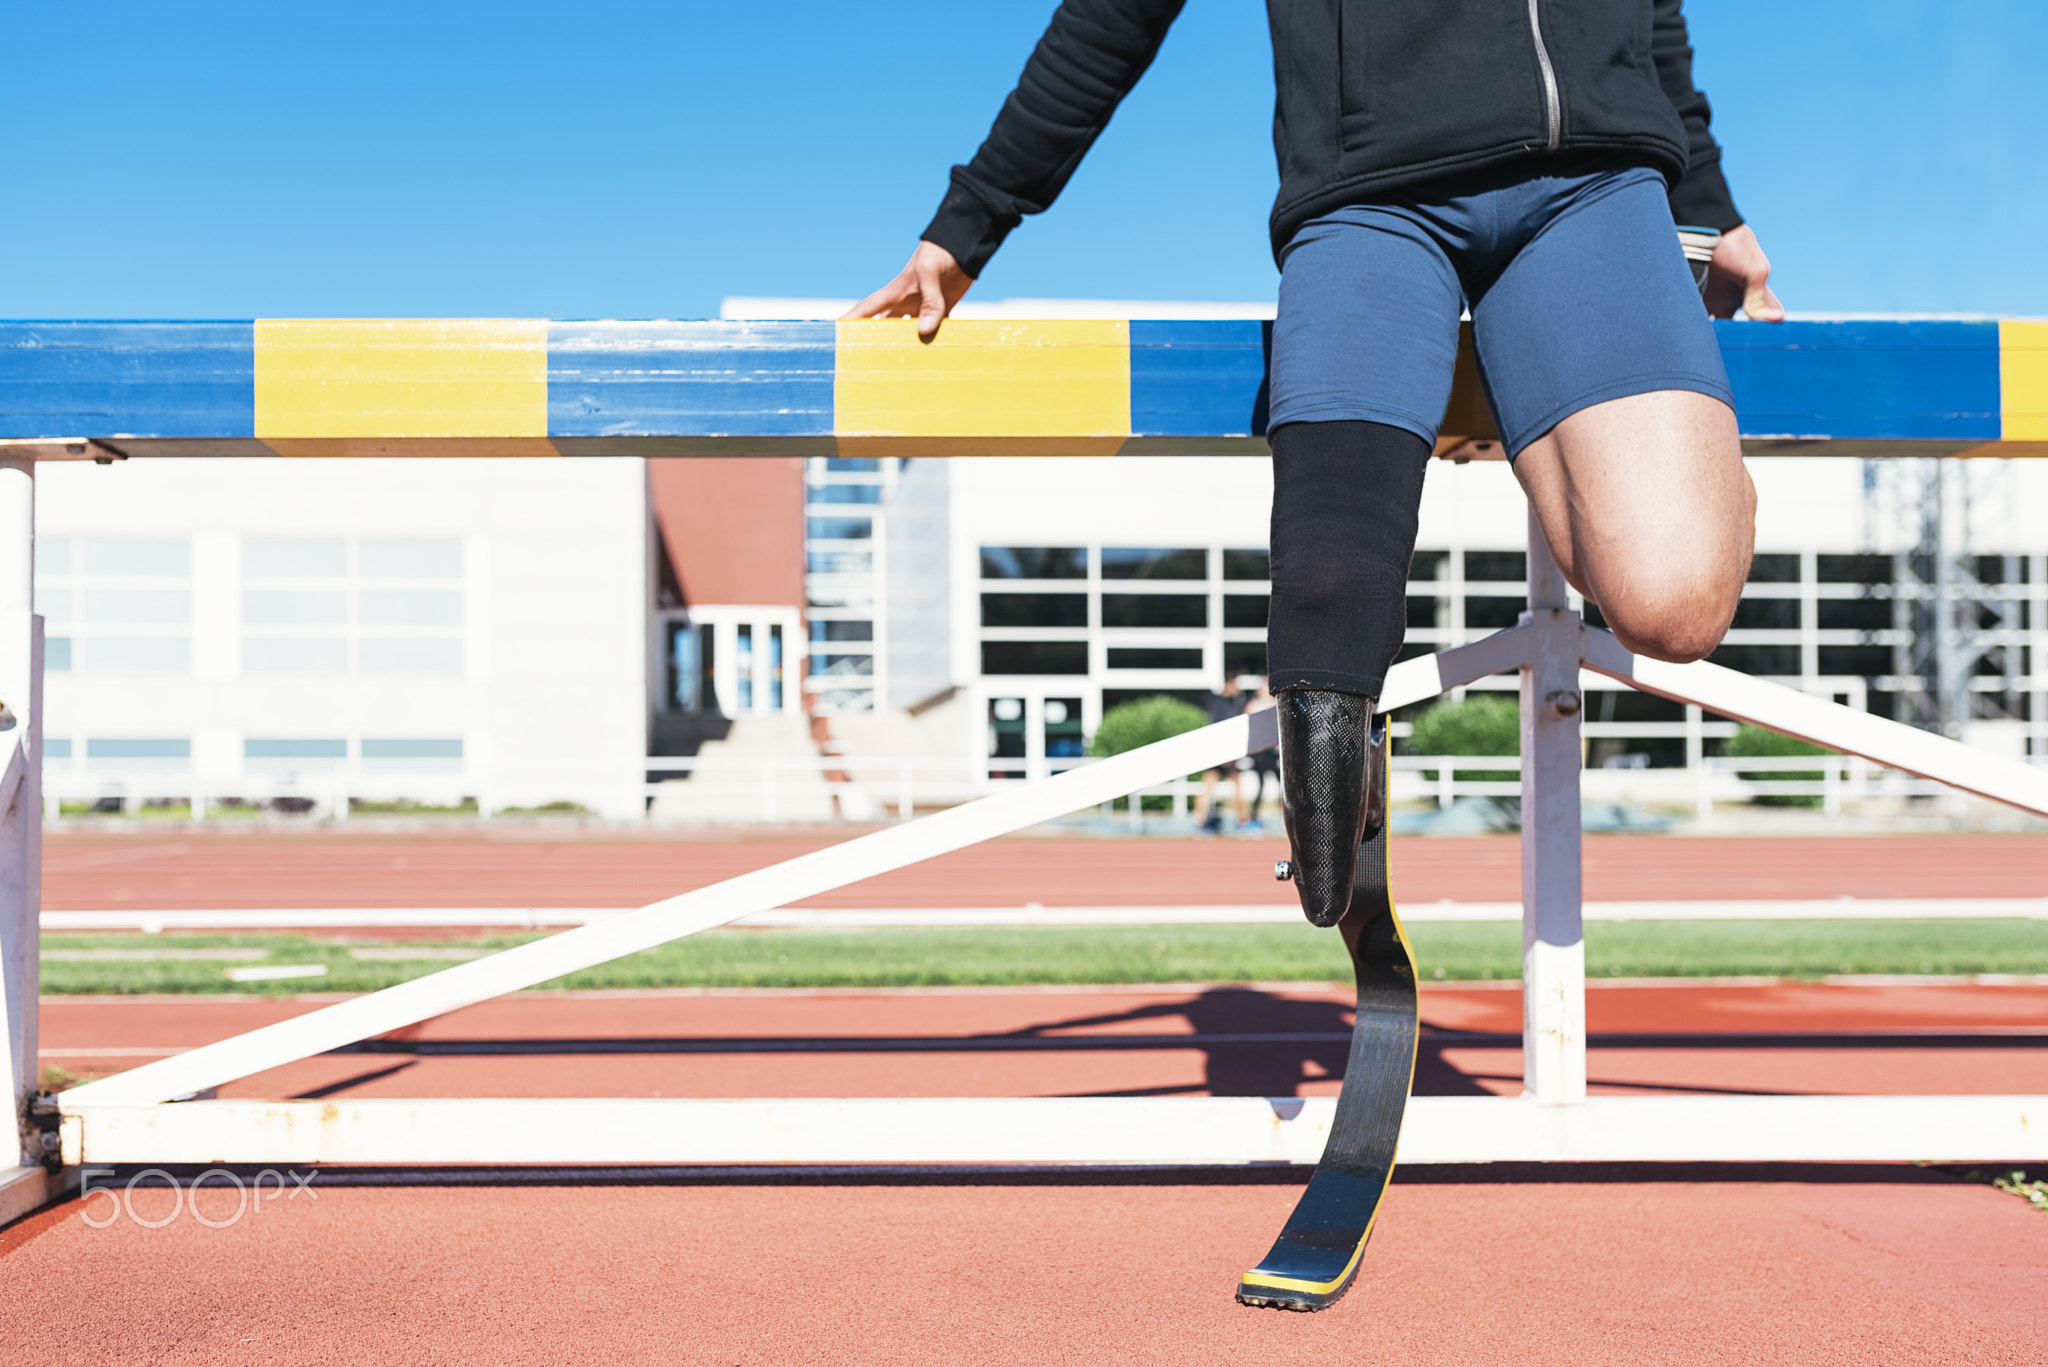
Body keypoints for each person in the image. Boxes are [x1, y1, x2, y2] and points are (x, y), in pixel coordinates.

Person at [849, 0, 1776, 928]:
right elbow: (1117, 10)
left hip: (1592, 180)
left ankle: (1671, 461)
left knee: (1672, 601)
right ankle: (1344, 925)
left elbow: (1655, 12)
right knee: (1328, 609)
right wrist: (972, 221)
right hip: (1368, 192)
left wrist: (1711, 207)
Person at [1194, 674, 1250, 833]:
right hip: (1220, 752)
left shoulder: (1224, 702)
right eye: (1236, 685)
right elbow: (1218, 728)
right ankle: (1201, 823)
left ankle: (1242, 821)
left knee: (1231, 786)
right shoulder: (1219, 703)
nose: (1237, 689)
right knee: (1209, 786)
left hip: (1224, 751)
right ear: (1229, 684)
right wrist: (1225, 754)